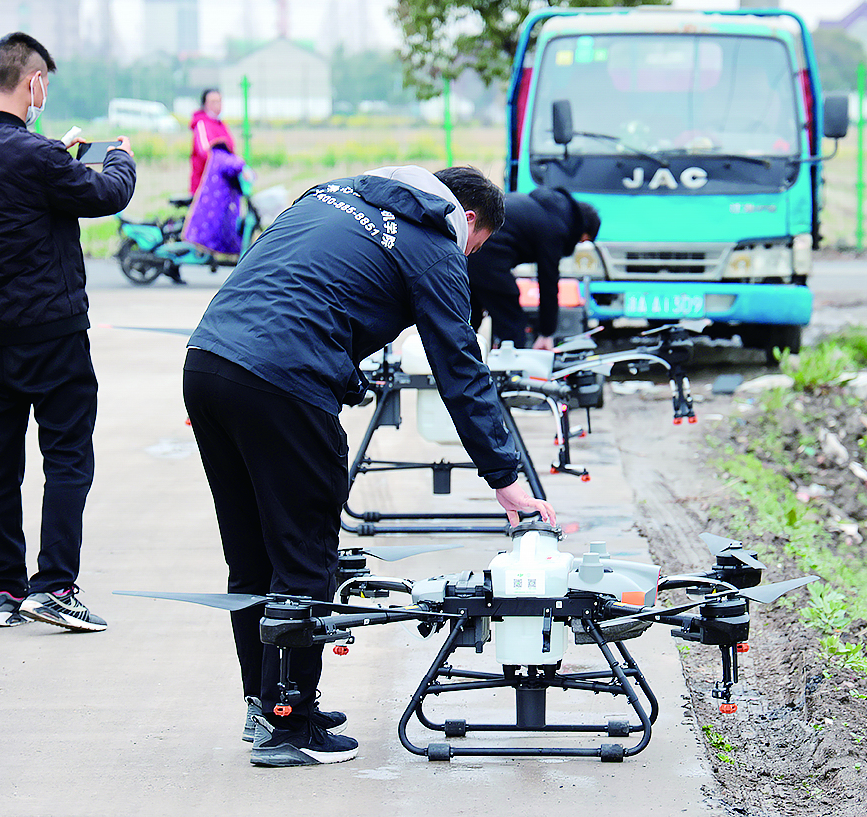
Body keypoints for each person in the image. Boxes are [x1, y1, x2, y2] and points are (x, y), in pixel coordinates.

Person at [182, 164, 555, 768]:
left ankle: (267, 702)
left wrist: (341, 367)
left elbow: (301, 287)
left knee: (251, 555)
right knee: (304, 556)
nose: (468, 257)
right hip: (283, 382)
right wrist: (506, 479)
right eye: (475, 246)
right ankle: (290, 723)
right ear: (466, 220)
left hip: (208, 363)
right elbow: (459, 370)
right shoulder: (434, 245)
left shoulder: (331, 193)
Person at [0, 32, 136, 631]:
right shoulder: (41, 158)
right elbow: (106, 194)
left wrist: (57, 153)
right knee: (67, 456)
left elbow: (12, 197)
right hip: (54, 332)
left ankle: (5, 590)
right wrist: (116, 155)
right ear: (33, 83)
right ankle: (55, 587)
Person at [468, 187, 599, 351]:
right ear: (582, 230)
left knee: (469, 321)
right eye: (581, 241)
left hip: (470, 248)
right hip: (488, 255)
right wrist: (546, 333)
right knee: (513, 323)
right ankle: (511, 373)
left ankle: (453, 368)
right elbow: (548, 283)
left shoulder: (546, 208)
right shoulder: (556, 227)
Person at [189, 88, 234, 195]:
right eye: (213, 102)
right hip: (205, 186)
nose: (217, 105)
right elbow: (205, 152)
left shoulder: (221, 124)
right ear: (205, 104)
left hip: (222, 184)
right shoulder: (201, 124)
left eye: (219, 101)